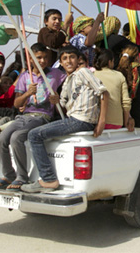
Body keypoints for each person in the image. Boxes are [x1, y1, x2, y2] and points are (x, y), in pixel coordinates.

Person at [22, 45, 109, 193]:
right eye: (65, 59)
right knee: (38, 132)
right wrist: (55, 101)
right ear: (61, 63)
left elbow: (104, 93)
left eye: (72, 57)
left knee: (34, 135)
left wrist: (101, 122)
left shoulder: (83, 72)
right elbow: (62, 106)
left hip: (82, 119)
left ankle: (48, 179)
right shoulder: (68, 81)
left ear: (78, 60)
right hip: (73, 119)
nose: (69, 61)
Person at [0, 43, 65, 190]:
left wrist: (58, 98)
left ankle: (22, 177)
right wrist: (28, 93)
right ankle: (9, 175)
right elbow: (16, 103)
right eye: (38, 58)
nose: (43, 61)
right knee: (0, 139)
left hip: (42, 117)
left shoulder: (55, 74)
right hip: (24, 116)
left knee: (17, 137)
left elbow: (69, 79)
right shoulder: (25, 77)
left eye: (45, 58)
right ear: (31, 59)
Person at [93, 48, 134, 130]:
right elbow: (126, 102)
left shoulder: (92, 75)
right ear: (109, 62)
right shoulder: (119, 76)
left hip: (96, 123)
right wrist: (126, 122)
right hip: (116, 123)